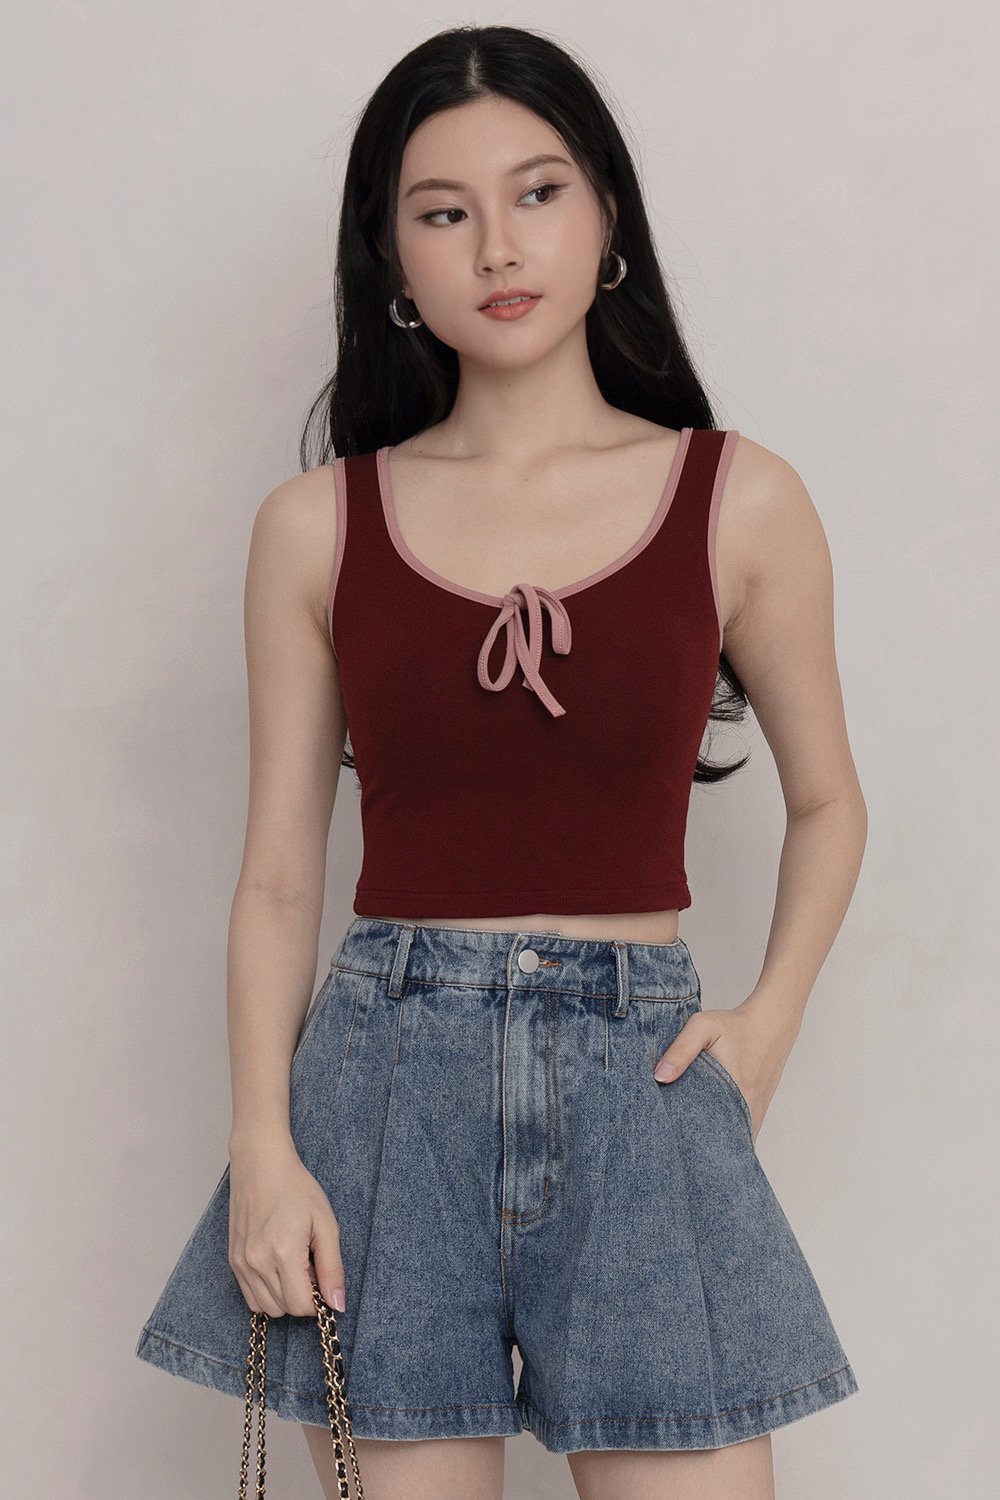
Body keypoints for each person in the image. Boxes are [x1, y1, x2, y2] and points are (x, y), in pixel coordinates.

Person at [135, 24, 865, 1500]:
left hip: (641, 1077)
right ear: (392, 262)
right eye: (443, 211)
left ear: (607, 219)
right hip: (387, 1085)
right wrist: (264, 1145)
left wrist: (770, 1019)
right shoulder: (315, 527)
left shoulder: (739, 499)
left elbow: (830, 801)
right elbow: (278, 876)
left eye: (537, 192)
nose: (497, 247)